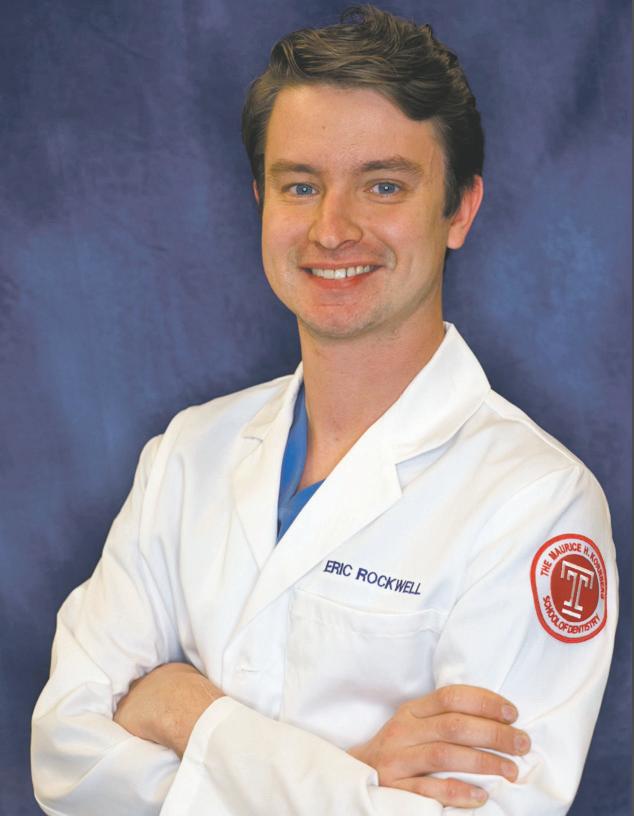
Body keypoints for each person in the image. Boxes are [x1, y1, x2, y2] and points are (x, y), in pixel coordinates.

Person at [31, 6, 617, 814]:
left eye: (384, 186)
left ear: (459, 209)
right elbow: (65, 761)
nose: (332, 229)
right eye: (300, 186)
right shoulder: (187, 455)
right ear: (261, 201)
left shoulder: (538, 506)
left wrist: (183, 710)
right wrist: (350, 774)